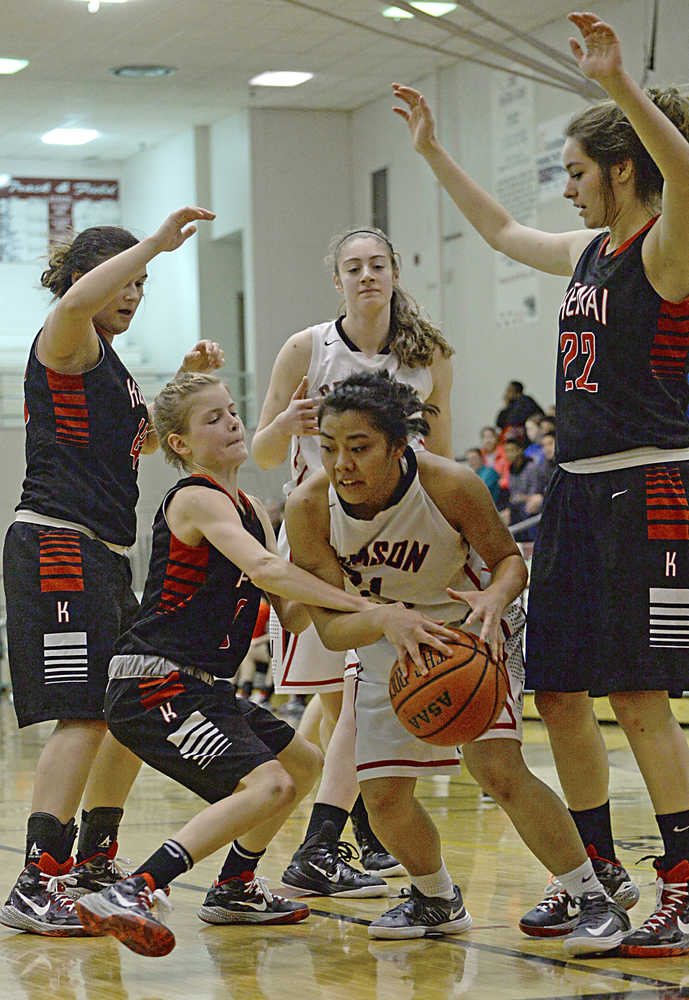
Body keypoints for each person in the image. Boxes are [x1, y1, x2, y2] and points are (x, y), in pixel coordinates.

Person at [394, 9, 689, 956]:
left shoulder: (666, 249)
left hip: (650, 491)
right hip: (571, 496)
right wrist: (433, 152)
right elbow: (497, 230)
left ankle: (683, 886)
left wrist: (617, 87)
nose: (566, 190)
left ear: (623, 168)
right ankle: (596, 875)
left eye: (575, 172)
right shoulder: (583, 254)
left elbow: (685, 172)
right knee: (557, 693)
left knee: (639, 699)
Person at [72, 372, 440, 957]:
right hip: (154, 680)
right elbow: (267, 572)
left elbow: (290, 614)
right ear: (181, 444)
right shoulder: (195, 497)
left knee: (303, 761)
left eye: (232, 411)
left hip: (204, 686)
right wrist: (369, 607)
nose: (233, 422)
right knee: (267, 784)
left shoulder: (254, 513)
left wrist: (351, 579)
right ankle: (136, 888)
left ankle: (235, 886)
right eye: (212, 418)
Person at [284, 370, 629, 954]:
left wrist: (496, 598)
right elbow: (330, 627)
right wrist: (388, 623)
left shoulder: (450, 484)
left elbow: (507, 563)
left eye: (359, 447)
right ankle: (435, 897)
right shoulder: (310, 507)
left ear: (400, 446)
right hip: (382, 638)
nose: (342, 464)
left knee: (497, 767)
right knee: (382, 796)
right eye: (330, 447)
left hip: (470, 631)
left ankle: (593, 897)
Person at [0, 207, 225, 937]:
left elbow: (140, 444)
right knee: (86, 713)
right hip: (57, 545)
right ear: (86, 280)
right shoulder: (66, 335)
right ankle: (38, 877)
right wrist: (153, 242)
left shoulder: (112, 365)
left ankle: (95, 859)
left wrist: (188, 382)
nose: (134, 293)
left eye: (144, 283)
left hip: (101, 553)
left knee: (123, 708)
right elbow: (73, 301)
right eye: (127, 279)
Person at [252, 225, 454, 892]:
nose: (366, 275)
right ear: (335, 280)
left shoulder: (428, 356)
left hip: (399, 543)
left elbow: (440, 460)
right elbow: (262, 454)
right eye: (353, 267)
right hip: (321, 538)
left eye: (377, 264)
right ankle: (354, 835)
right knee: (345, 704)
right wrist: (286, 426)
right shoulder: (307, 348)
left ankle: (333, 839)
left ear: (395, 273)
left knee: (353, 699)